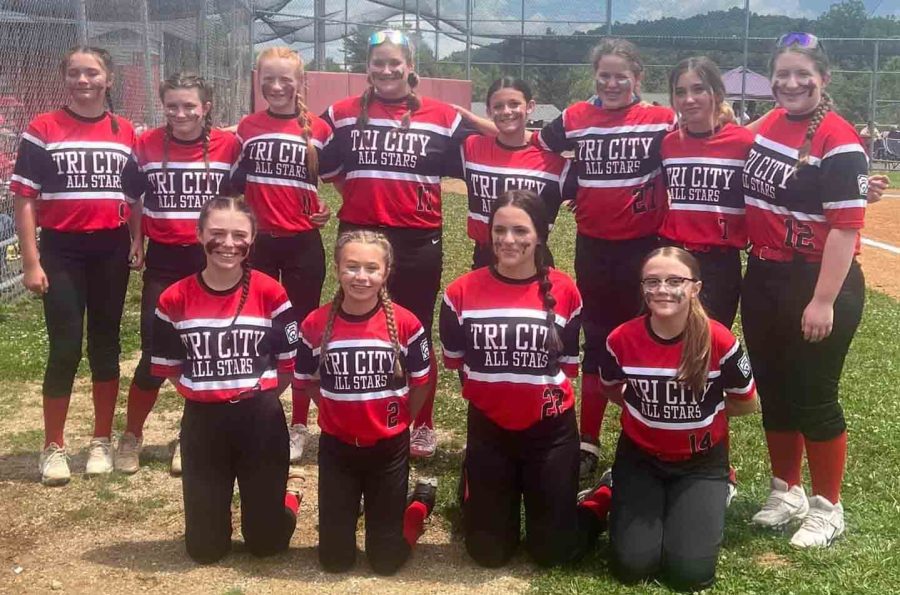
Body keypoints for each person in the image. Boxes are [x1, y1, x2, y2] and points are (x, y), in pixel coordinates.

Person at [319, 29, 483, 458]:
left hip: (416, 239)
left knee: (414, 329)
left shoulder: (442, 116)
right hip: (360, 235)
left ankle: (421, 423)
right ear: (367, 68)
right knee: (359, 325)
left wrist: (502, 126)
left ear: (410, 66)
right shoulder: (341, 112)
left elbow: (490, 148)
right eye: (378, 63)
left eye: (395, 63)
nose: (387, 70)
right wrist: (350, 193)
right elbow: (308, 142)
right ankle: (365, 408)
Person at [741, 33, 868, 548]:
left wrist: (822, 300)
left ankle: (827, 506)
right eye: (782, 74)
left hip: (818, 279)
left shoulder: (838, 140)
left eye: (802, 74)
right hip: (765, 274)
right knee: (774, 388)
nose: (791, 83)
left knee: (814, 395)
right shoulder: (768, 124)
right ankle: (785, 490)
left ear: (824, 79)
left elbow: (843, 228)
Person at [440, 189, 610, 568]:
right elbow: (456, 362)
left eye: (520, 230)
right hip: (489, 430)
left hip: (549, 434)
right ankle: (474, 490)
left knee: (553, 553)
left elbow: (567, 368)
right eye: (499, 230)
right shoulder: (459, 293)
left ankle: (599, 499)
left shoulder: (565, 290)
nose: (507, 240)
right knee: (487, 553)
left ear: (541, 234)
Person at [533, 38, 677, 480]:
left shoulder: (660, 120)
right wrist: (575, 183)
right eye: (605, 75)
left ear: (639, 78)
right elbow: (541, 146)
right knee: (596, 340)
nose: (612, 83)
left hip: (644, 246)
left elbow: (700, 143)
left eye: (622, 76)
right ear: (595, 76)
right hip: (594, 246)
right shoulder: (575, 117)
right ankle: (588, 440)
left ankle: (644, 433)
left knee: (646, 338)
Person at [11, 46, 140, 486]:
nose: (82, 81)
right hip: (61, 250)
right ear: (64, 78)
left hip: (110, 248)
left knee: (105, 344)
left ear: (108, 79)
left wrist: (137, 240)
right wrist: (31, 261)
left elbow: (134, 195)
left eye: (91, 73)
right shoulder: (43, 128)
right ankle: (53, 446)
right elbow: (25, 198)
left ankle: (101, 440)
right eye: (74, 73)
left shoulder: (124, 131)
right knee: (65, 347)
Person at [150, 196, 301, 563]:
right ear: (199, 234)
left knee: (266, 545)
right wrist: (210, 393)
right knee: (204, 550)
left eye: (239, 235)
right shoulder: (173, 298)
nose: (229, 244)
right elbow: (170, 367)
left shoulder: (271, 292)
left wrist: (256, 396)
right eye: (217, 233)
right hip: (203, 422)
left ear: (252, 240)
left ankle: (290, 496)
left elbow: (286, 363)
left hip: (260, 420)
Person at [599, 246, 757, 591]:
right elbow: (611, 390)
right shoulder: (621, 339)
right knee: (631, 566)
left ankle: (717, 490)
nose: (662, 289)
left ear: (695, 287)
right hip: (640, 459)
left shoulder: (720, 340)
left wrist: (703, 414)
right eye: (652, 281)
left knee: (690, 576)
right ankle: (613, 488)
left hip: (701, 464)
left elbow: (747, 403)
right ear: (642, 287)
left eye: (675, 281)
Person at [116, 72, 241, 475]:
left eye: (190, 105)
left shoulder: (229, 145)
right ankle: (132, 435)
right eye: (172, 105)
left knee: (208, 351)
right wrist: (136, 239)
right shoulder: (147, 144)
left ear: (206, 107)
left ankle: (193, 437)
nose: (181, 113)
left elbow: (240, 201)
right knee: (155, 351)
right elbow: (133, 198)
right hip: (165, 260)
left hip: (215, 260)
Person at [294, 230, 438, 575]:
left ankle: (419, 503)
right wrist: (335, 408)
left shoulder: (406, 324)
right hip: (337, 448)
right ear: (337, 269)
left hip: (388, 450)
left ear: (386, 272)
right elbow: (309, 383)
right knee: (334, 561)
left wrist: (400, 419)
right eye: (352, 267)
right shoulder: (314, 325)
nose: (361, 276)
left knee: (386, 560)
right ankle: (293, 491)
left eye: (372, 268)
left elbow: (420, 383)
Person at [232, 47, 331, 464]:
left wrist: (327, 208)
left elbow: (339, 176)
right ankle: (258, 415)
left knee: (303, 334)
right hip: (260, 245)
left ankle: (299, 425)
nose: (276, 86)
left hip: (304, 245)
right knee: (260, 334)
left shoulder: (321, 131)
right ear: (258, 81)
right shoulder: (246, 127)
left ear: (300, 83)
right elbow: (233, 183)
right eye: (267, 79)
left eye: (284, 79)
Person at [659, 57, 752, 329]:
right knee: (670, 338)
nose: (689, 99)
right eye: (680, 92)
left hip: (720, 263)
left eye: (698, 89)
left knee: (710, 343)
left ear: (717, 93)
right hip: (673, 256)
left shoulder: (744, 143)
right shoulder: (668, 145)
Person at [453, 77, 575, 269]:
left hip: (535, 261)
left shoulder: (554, 163)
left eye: (514, 104)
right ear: (488, 111)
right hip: (485, 258)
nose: (506, 111)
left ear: (530, 106)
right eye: (498, 106)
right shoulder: (471, 148)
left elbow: (595, 191)